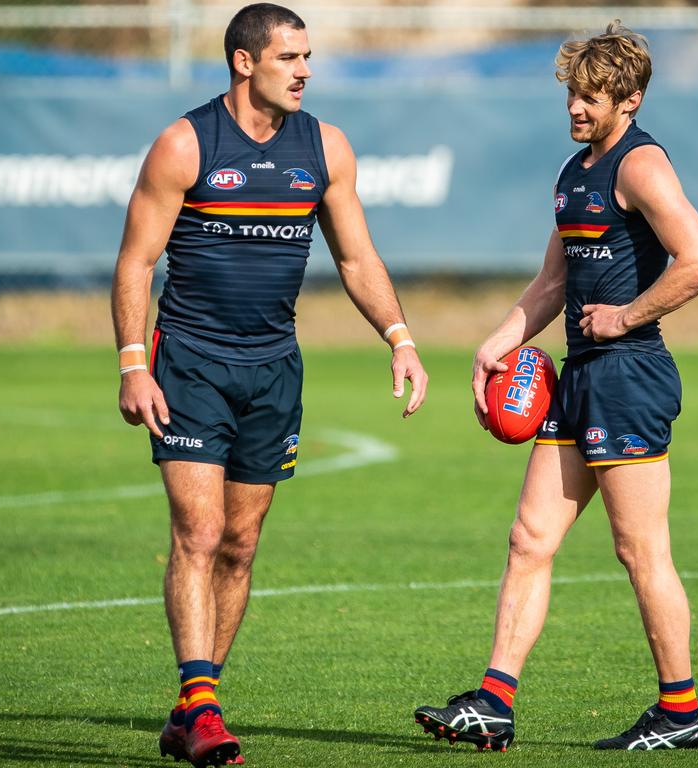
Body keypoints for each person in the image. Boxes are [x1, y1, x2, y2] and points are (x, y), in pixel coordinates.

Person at [110, 4, 428, 766]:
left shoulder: (325, 148)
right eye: (290, 57)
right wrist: (132, 362)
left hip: (275, 369)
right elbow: (134, 262)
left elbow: (356, 260)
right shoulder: (185, 144)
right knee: (199, 532)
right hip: (189, 364)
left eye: (308, 56)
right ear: (245, 63)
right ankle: (207, 708)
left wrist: (401, 338)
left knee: (241, 546)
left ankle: (193, 705)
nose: (305, 70)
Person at [414, 21, 698, 752]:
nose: (578, 107)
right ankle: (493, 702)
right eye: (573, 94)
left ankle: (681, 712)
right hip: (579, 377)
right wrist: (497, 342)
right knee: (528, 539)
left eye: (593, 97)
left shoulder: (641, 167)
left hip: (628, 376)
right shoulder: (574, 171)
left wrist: (626, 316)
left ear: (631, 99)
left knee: (639, 550)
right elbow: (553, 280)